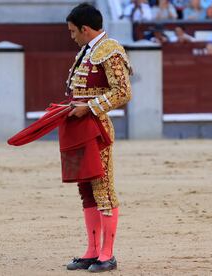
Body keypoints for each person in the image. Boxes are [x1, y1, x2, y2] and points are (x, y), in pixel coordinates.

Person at [65, 3, 132, 272]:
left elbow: (123, 92)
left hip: (98, 127)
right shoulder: (86, 51)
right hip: (81, 127)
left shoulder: (110, 49)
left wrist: (89, 107)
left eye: (73, 31)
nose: (72, 37)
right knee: (87, 189)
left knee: (103, 188)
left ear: (85, 29)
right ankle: (92, 250)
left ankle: (108, 254)